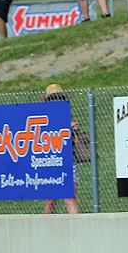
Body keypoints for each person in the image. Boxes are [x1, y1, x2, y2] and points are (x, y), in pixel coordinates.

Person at [43, 84, 81, 214]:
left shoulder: (66, 113)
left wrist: (73, 129)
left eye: (59, 97)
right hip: (50, 160)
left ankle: (77, 224)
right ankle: (45, 224)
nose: (57, 100)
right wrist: (66, 127)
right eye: (52, 98)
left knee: (70, 197)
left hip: (68, 159)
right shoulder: (43, 115)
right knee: (51, 198)